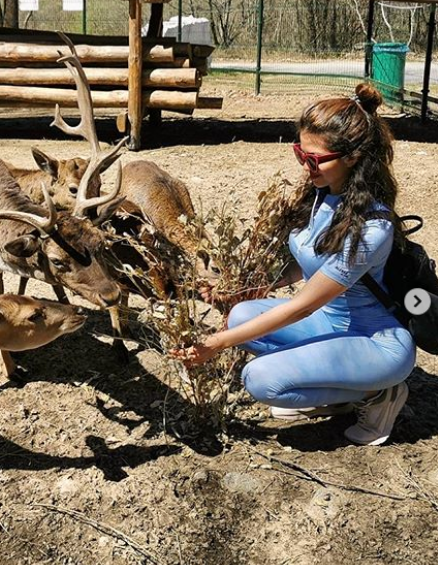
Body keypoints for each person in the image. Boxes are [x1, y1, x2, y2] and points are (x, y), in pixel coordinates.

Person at [170, 83, 416, 446]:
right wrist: (245, 289)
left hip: (377, 343)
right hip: (331, 322)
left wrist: (217, 343)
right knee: (242, 314)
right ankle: (338, 387)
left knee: (260, 379)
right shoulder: (320, 195)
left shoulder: (371, 226)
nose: (305, 164)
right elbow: (309, 264)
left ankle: (376, 394)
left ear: (352, 157)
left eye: (315, 159)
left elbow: (302, 306)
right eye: (301, 152)